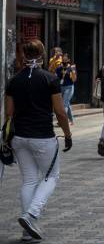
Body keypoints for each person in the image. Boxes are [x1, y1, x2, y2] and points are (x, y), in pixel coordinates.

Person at [4, 40, 73, 241]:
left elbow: (9, 113)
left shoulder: (14, 80)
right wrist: (67, 135)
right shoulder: (50, 79)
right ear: (42, 55)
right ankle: (31, 214)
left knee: (29, 180)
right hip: (42, 136)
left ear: (23, 55)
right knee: (51, 176)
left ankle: (28, 232)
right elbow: (60, 112)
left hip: (19, 137)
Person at [56, 54, 77, 125]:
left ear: (68, 60)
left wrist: (73, 72)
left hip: (69, 87)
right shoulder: (59, 68)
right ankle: (71, 120)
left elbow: (74, 80)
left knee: (64, 104)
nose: (64, 61)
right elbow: (56, 77)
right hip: (61, 87)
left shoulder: (71, 68)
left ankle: (62, 121)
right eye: (63, 60)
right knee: (67, 103)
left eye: (65, 60)